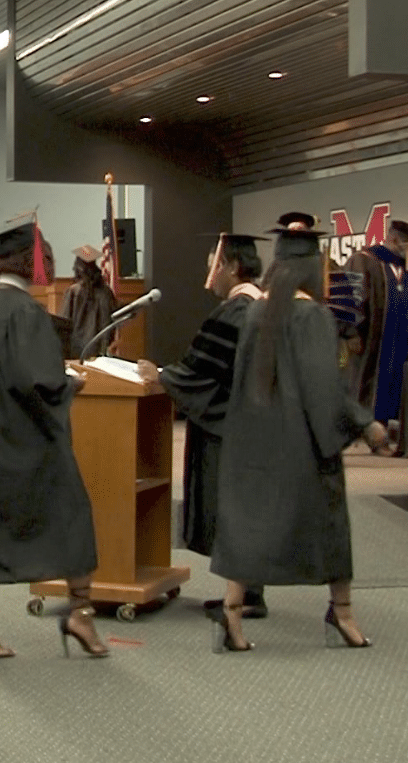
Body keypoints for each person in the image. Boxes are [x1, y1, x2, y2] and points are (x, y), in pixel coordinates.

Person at [209, 221, 391, 653]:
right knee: (329, 523)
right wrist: (364, 422)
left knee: (251, 523)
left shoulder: (255, 312)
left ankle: (232, 617)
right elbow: (323, 384)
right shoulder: (312, 315)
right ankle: (342, 613)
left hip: (253, 441)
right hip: (300, 442)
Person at [0, 212, 107, 660]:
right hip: (29, 442)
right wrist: (71, 384)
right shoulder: (25, 313)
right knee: (74, 511)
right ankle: (81, 611)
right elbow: (41, 384)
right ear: (31, 262)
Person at [138, 232, 269, 618]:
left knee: (231, 508)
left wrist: (162, 375)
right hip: (253, 425)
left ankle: (245, 597)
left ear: (229, 266)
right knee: (244, 508)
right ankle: (247, 591)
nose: (208, 270)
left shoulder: (236, 311)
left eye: (212, 260)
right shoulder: (262, 306)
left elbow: (201, 370)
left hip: (228, 428)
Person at [336, 219, 408, 456]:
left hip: (401, 342)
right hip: (369, 342)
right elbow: (348, 300)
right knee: (364, 385)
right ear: (395, 240)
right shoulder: (363, 260)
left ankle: (389, 433)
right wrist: (349, 332)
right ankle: (369, 434)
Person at [59, 245, 119, 358]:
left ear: (78, 267)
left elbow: (63, 324)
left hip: (75, 353)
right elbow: (111, 325)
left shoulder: (73, 292)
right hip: (100, 353)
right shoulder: (106, 293)